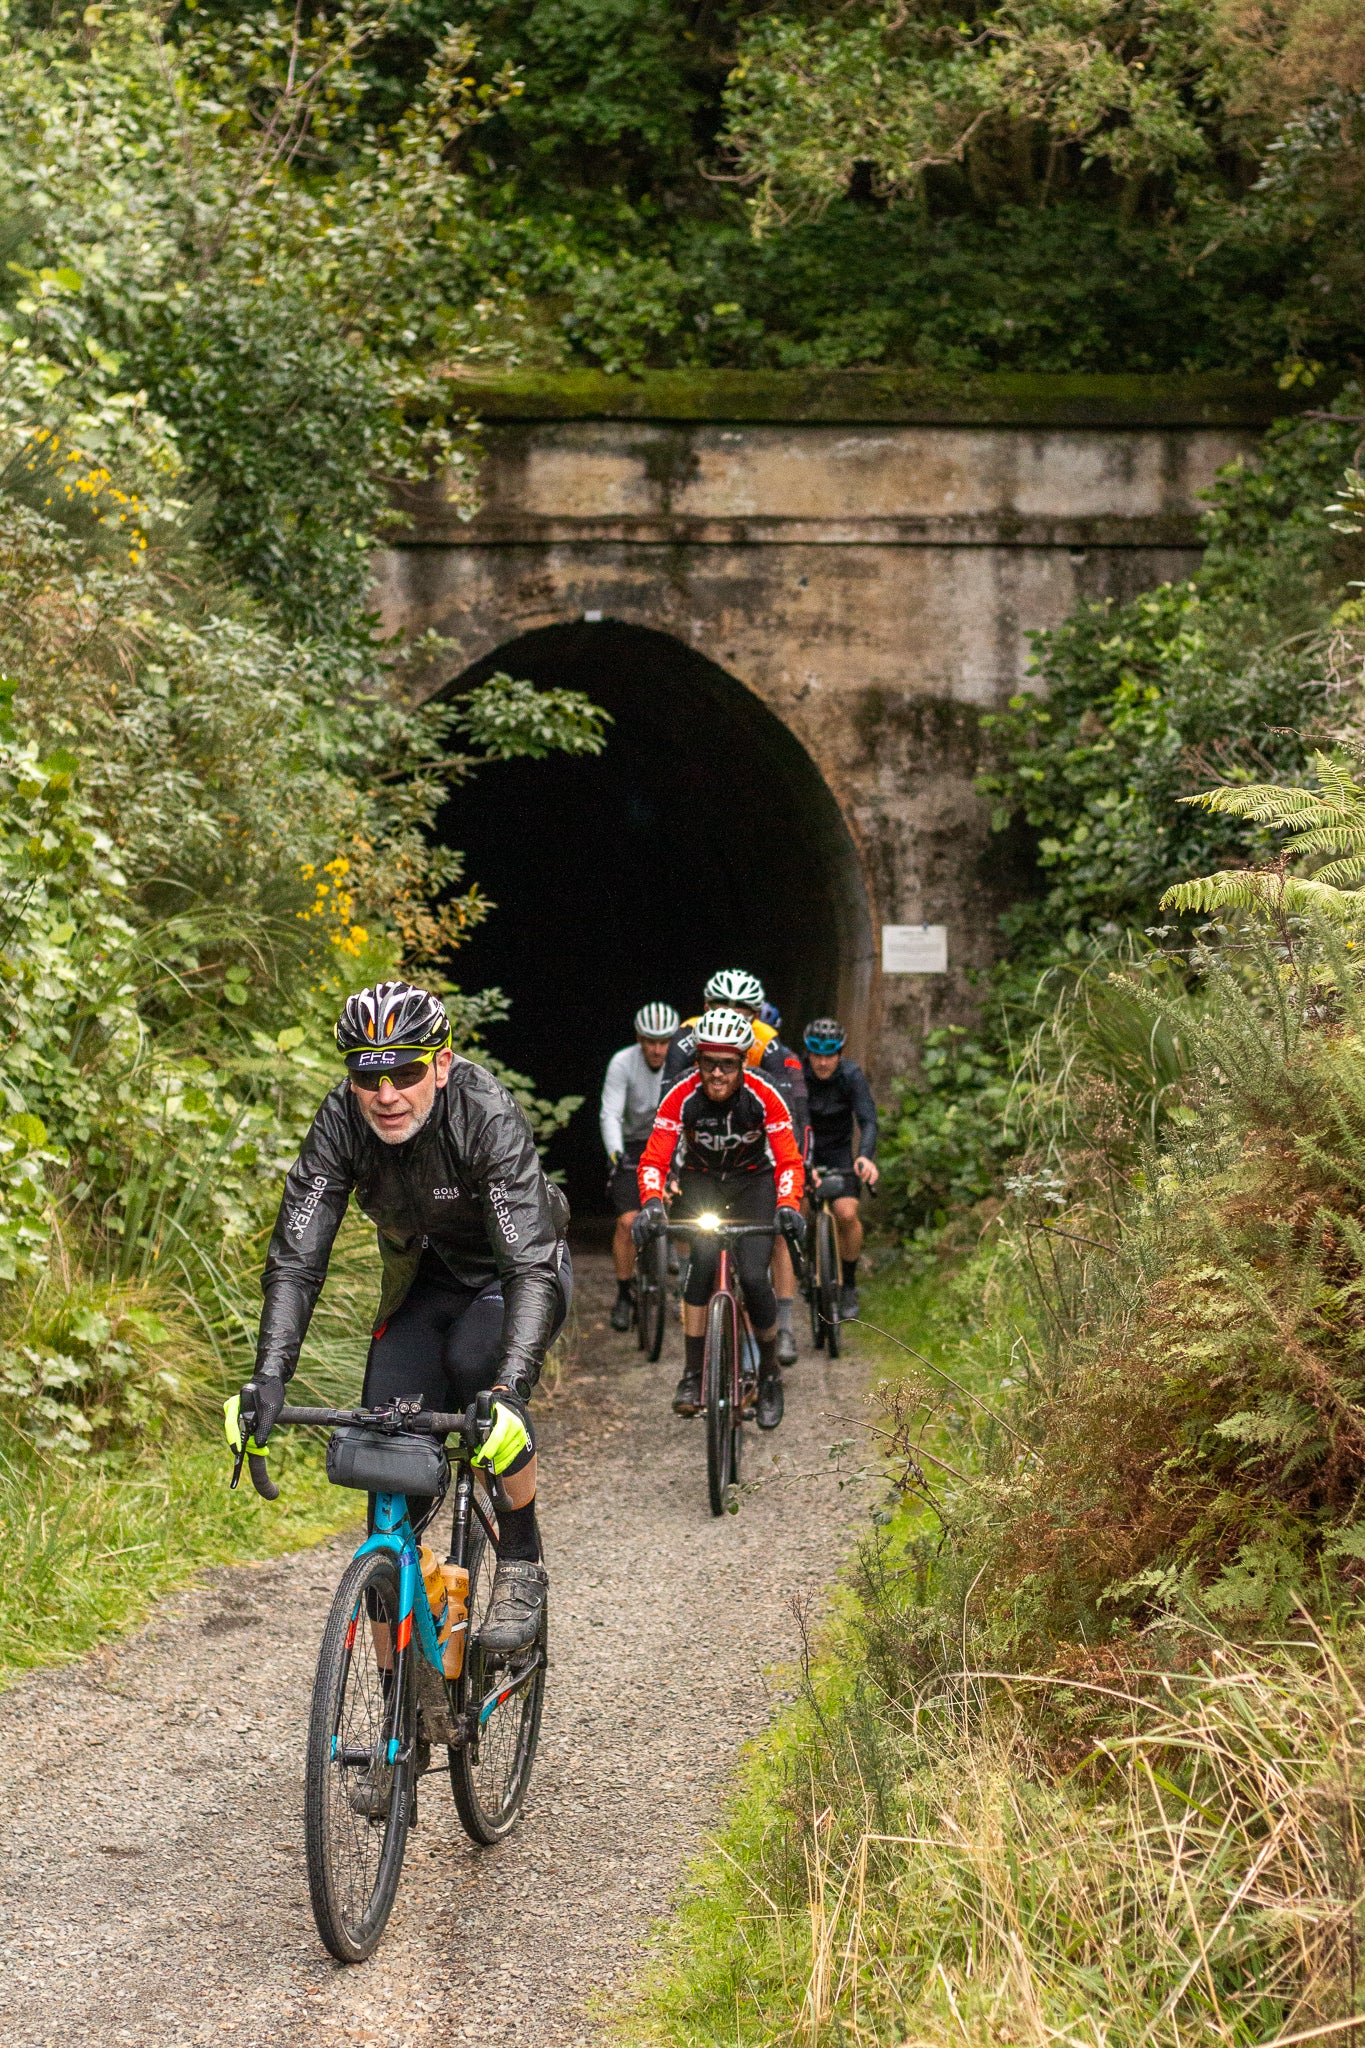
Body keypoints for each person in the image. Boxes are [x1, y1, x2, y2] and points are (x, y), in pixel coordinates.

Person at [236, 980, 571, 1658]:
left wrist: (508, 1393)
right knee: (386, 1462)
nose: (386, 1093)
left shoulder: (484, 1113)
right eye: (368, 1073)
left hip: (510, 1276)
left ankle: (521, 1562)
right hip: (422, 1284)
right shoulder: (340, 1122)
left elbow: (529, 1266)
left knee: (477, 1367)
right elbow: (298, 1259)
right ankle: (395, 1718)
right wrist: (269, 1376)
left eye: (407, 1070)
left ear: (441, 1066)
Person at [634, 1007, 805, 1430]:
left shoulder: (765, 1094)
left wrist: (788, 1205)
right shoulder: (681, 1093)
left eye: (727, 1065)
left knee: (752, 1274)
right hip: (702, 1182)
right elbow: (655, 1156)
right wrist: (652, 1202)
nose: (716, 1074)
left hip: (753, 1185)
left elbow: (788, 1161)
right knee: (701, 1268)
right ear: (698, 1062)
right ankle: (693, 1375)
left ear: (743, 1063)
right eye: (708, 1062)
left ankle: (768, 1375)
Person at [661, 968, 810, 1366]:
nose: (734, 1014)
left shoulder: (770, 1048)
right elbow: (669, 1113)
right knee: (702, 1259)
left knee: (762, 1254)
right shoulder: (687, 1038)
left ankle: (782, 1331)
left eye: (744, 1009)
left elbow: (790, 1118)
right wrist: (665, 1181)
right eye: (724, 1006)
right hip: (704, 1172)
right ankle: (694, 1371)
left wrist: (791, 1195)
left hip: (752, 1170)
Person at [600, 1001, 679, 1329]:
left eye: (664, 1042)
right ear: (639, 1038)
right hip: (632, 1145)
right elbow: (611, 1113)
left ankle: (676, 1258)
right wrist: (617, 1154)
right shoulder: (623, 1062)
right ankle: (623, 1293)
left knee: (690, 1205)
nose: (658, 1049)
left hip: (672, 1140)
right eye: (650, 1041)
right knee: (627, 1222)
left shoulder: (682, 1062)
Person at [801, 1018, 879, 1317]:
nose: (822, 1062)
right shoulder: (798, 1075)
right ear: (807, 1053)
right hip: (804, 1151)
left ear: (840, 1053)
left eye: (829, 1055)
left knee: (846, 1214)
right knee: (800, 1209)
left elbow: (868, 1120)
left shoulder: (851, 1075)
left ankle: (848, 1283)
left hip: (838, 1154)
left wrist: (865, 1156)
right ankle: (806, 1265)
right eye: (816, 1055)